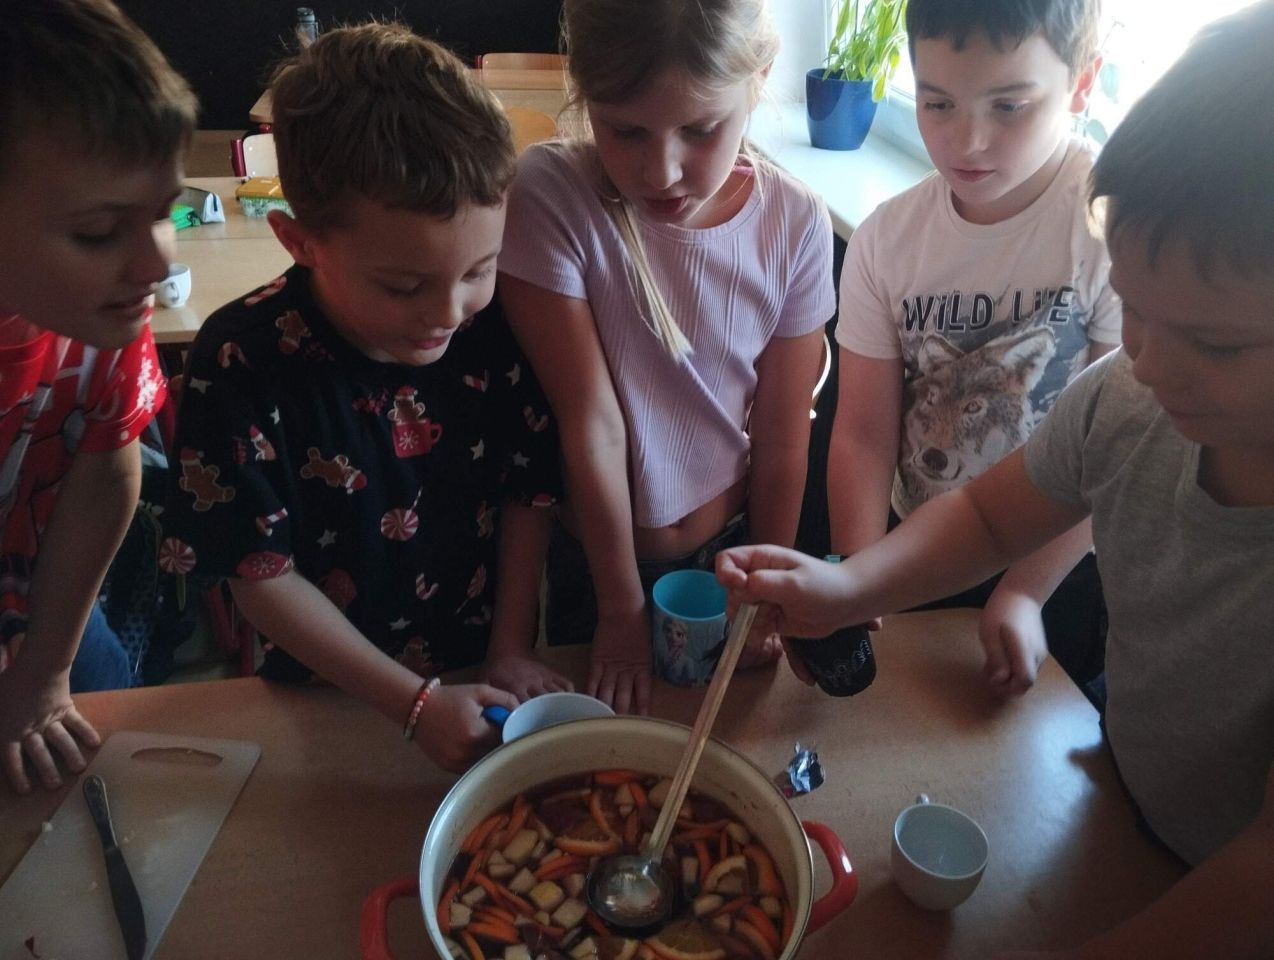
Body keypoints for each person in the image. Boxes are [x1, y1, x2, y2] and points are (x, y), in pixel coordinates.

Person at [719, 3, 1274, 953]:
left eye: (1215, 344)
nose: (1148, 360)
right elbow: (983, 517)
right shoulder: (1122, 400)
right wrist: (850, 585)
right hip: (1129, 800)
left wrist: (1018, 594)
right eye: (1133, 309)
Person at [162, 24, 567, 773]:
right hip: (327, 688)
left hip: (478, 664)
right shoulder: (239, 358)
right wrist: (411, 704)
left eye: (479, 269)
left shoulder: (496, 323)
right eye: (404, 286)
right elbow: (260, 574)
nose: (449, 313)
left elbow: (528, 491)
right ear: (299, 242)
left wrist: (512, 647)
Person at [499, 0, 835, 714]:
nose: (662, 171)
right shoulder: (551, 194)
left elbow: (782, 437)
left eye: (701, 130)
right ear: (584, 97)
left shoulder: (797, 220)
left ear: (758, 81)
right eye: (625, 131)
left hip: (731, 558)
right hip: (598, 564)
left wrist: (762, 592)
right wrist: (620, 607)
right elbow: (592, 423)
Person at [827, 0, 1118, 700]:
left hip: (1059, 565)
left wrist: (1025, 591)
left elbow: (1111, 447)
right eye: (937, 103)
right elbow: (863, 434)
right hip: (915, 547)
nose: (968, 141)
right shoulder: (886, 240)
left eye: (1009, 106)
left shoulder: (1111, 229)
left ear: (1081, 83)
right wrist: (861, 577)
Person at [0, 0, 195, 794]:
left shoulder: (98, 315)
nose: (156, 265)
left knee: (102, 723)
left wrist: (44, 673)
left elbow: (107, 469)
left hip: (38, 581)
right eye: (97, 233)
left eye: (166, 212)